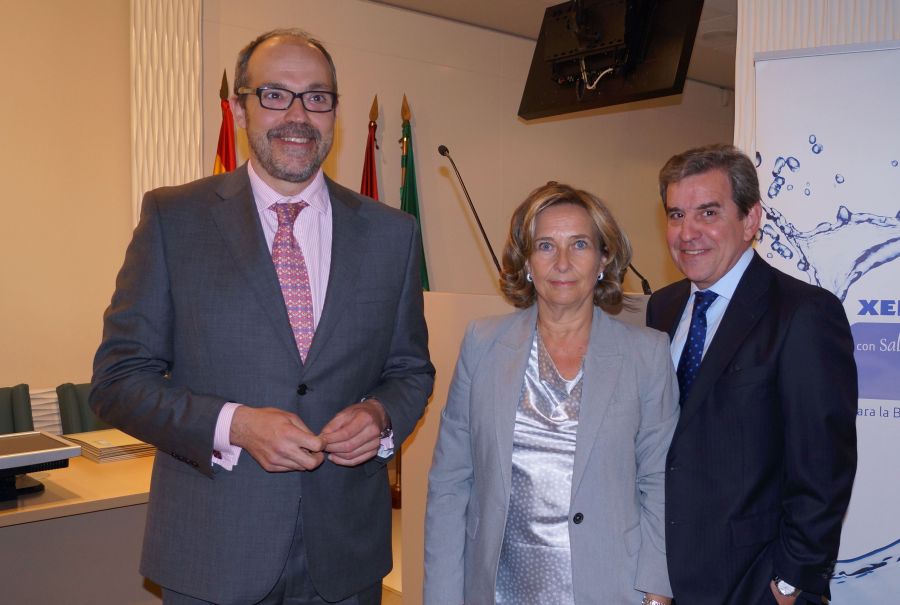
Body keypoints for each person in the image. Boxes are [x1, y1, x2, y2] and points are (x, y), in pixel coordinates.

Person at [90, 29, 434, 605]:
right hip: (214, 551)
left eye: (317, 97)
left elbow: (411, 370)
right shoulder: (174, 219)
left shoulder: (391, 235)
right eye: (275, 94)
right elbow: (118, 381)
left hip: (346, 555)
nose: (298, 115)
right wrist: (237, 425)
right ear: (238, 106)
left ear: (335, 113)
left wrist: (380, 415)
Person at [424, 182, 678, 605]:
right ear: (525, 261)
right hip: (499, 588)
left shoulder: (646, 354)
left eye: (579, 244)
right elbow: (451, 482)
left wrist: (656, 593)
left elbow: (659, 484)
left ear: (604, 258)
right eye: (545, 245)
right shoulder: (483, 344)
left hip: (612, 587)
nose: (562, 262)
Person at [647, 144, 857, 605]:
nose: (688, 232)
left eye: (708, 212)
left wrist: (790, 583)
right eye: (676, 214)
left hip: (756, 584)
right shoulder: (660, 308)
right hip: (663, 581)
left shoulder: (804, 313)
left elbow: (824, 465)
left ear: (749, 219)